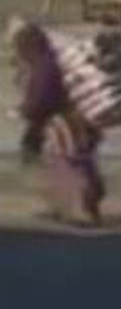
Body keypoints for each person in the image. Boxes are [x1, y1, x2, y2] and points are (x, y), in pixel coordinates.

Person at [7, 18, 104, 227]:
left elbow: (42, 96)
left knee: (64, 161)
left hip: (65, 122)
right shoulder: (47, 57)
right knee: (77, 160)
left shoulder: (43, 62)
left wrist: (23, 111)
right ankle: (77, 205)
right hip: (80, 120)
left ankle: (78, 207)